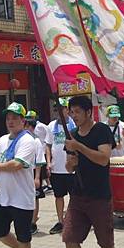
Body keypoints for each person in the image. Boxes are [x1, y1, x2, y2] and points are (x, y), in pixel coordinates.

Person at [63, 96, 115, 248]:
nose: (74, 115)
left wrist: (80, 147)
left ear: (88, 112)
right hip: (77, 196)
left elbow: (103, 159)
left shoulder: (101, 130)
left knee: (106, 242)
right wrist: (71, 163)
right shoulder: (72, 134)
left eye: (77, 111)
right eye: (71, 111)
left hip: (99, 196)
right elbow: (69, 166)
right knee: (69, 237)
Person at [0, 102, 37, 248]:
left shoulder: (27, 140)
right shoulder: (2, 140)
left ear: (23, 121)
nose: (11, 121)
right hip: (2, 197)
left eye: (15, 118)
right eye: (8, 118)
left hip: (21, 198)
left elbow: (17, 164)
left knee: (24, 236)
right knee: (0, 233)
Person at [45, 98, 76, 235]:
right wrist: (48, 162)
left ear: (68, 110)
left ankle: (73, 219)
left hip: (71, 169)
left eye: (62, 108)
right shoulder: (51, 126)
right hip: (57, 168)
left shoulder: (74, 124)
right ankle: (60, 221)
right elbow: (48, 145)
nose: (59, 111)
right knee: (58, 196)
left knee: (74, 196)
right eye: (57, 109)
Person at [25, 117, 47, 234]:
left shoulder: (36, 141)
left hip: (33, 172)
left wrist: (37, 177)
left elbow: (39, 160)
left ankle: (33, 222)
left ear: (31, 127)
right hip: (24, 172)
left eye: (26, 126)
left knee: (35, 197)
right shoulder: (22, 140)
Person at [26, 110, 51, 191]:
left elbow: (49, 133)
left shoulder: (41, 126)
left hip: (42, 150)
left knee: (42, 170)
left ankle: (48, 184)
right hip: (35, 152)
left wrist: (47, 143)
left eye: (30, 118)